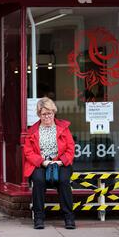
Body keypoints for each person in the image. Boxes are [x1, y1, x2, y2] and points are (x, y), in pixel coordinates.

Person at [24, 97, 76, 230]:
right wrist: (42, 162)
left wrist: (61, 161)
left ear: (54, 112)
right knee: (39, 180)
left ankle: (69, 218)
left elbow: (71, 148)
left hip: (60, 163)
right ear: (39, 114)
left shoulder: (63, 128)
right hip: (41, 163)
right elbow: (28, 152)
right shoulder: (32, 131)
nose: (47, 117)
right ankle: (39, 218)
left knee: (64, 181)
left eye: (49, 113)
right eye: (44, 114)